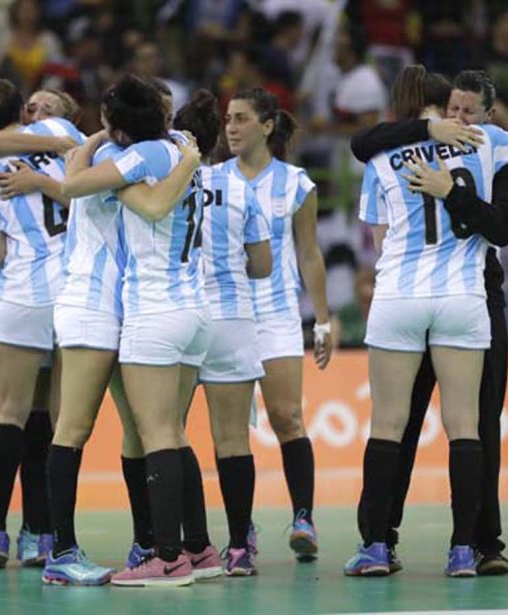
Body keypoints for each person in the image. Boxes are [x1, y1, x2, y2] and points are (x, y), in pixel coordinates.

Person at [344, 64, 508, 578]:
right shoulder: (487, 143)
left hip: (400, 294)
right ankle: (465, 550)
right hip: (463, 296)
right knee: (465, 426)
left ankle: (376, 545)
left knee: (389, 424)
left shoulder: (382, 155)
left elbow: (377, 238)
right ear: (445, 103)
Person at [61, 74, 208, 587]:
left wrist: (96, 142)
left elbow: (73, 186)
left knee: (157, 434)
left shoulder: (144, 156)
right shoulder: (181, 150)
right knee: (175, 431)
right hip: (196, 309)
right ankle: (201, 549)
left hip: (155, 308)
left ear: (120, 128)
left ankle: (166, 558)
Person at [0, 79, 77, 569]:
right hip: (73, 288)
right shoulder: (61, 134)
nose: (42, 107)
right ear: (24, 110)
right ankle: (50, 534)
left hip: (22, 289)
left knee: (8, 412)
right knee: (57, 420)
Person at [224, 87, 331, 561]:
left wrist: (323, 321)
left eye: (241, 118)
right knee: (230, 432)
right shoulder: (211, 179)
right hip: (226, 313)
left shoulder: (295, 184)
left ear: (267, 126)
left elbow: (309, 252)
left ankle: (303, 518)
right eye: (228, 118)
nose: (230, 127)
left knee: (287, 418)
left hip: (276, 312)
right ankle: (241, 532)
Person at [194, 91, 273, 576]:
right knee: (231, 441)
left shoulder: (160, 181)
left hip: (176, 318)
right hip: (232, 317)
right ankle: (240, 545)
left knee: (169, 436)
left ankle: (189, 544)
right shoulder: (242, 188)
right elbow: (262, 264)